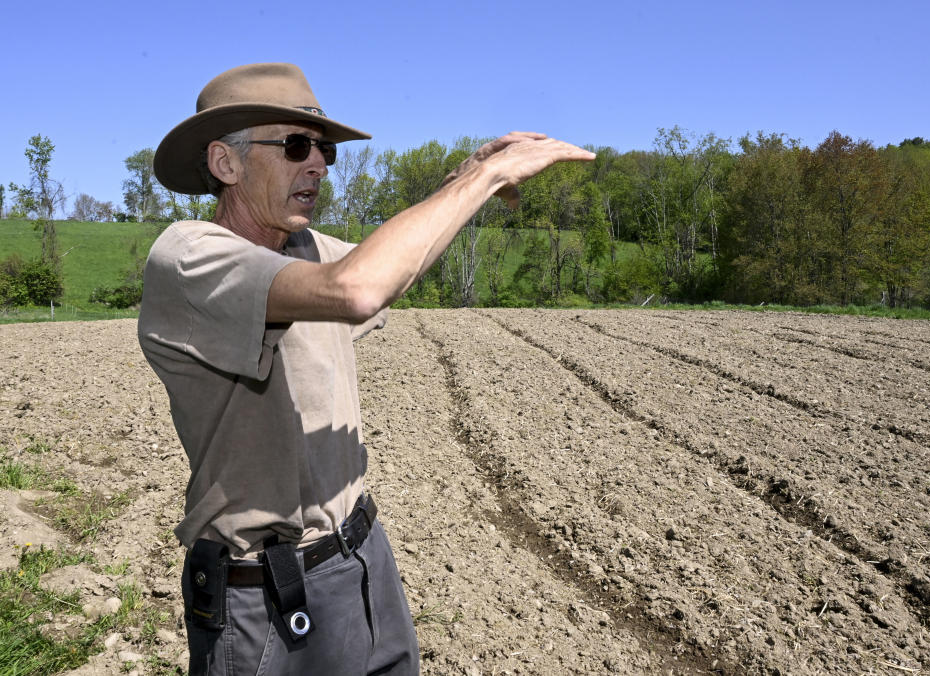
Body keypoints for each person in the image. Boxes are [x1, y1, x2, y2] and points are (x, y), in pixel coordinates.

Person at [138, 62, 595, 675]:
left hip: (359, 559)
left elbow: (395, 264)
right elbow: (358, 288)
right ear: (226, 163)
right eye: (296, 146)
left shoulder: (301, 248)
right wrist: (486, 177)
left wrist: (461, 182)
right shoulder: (191, 257)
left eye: (323, 149)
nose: (320, 164)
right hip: (265, 598)